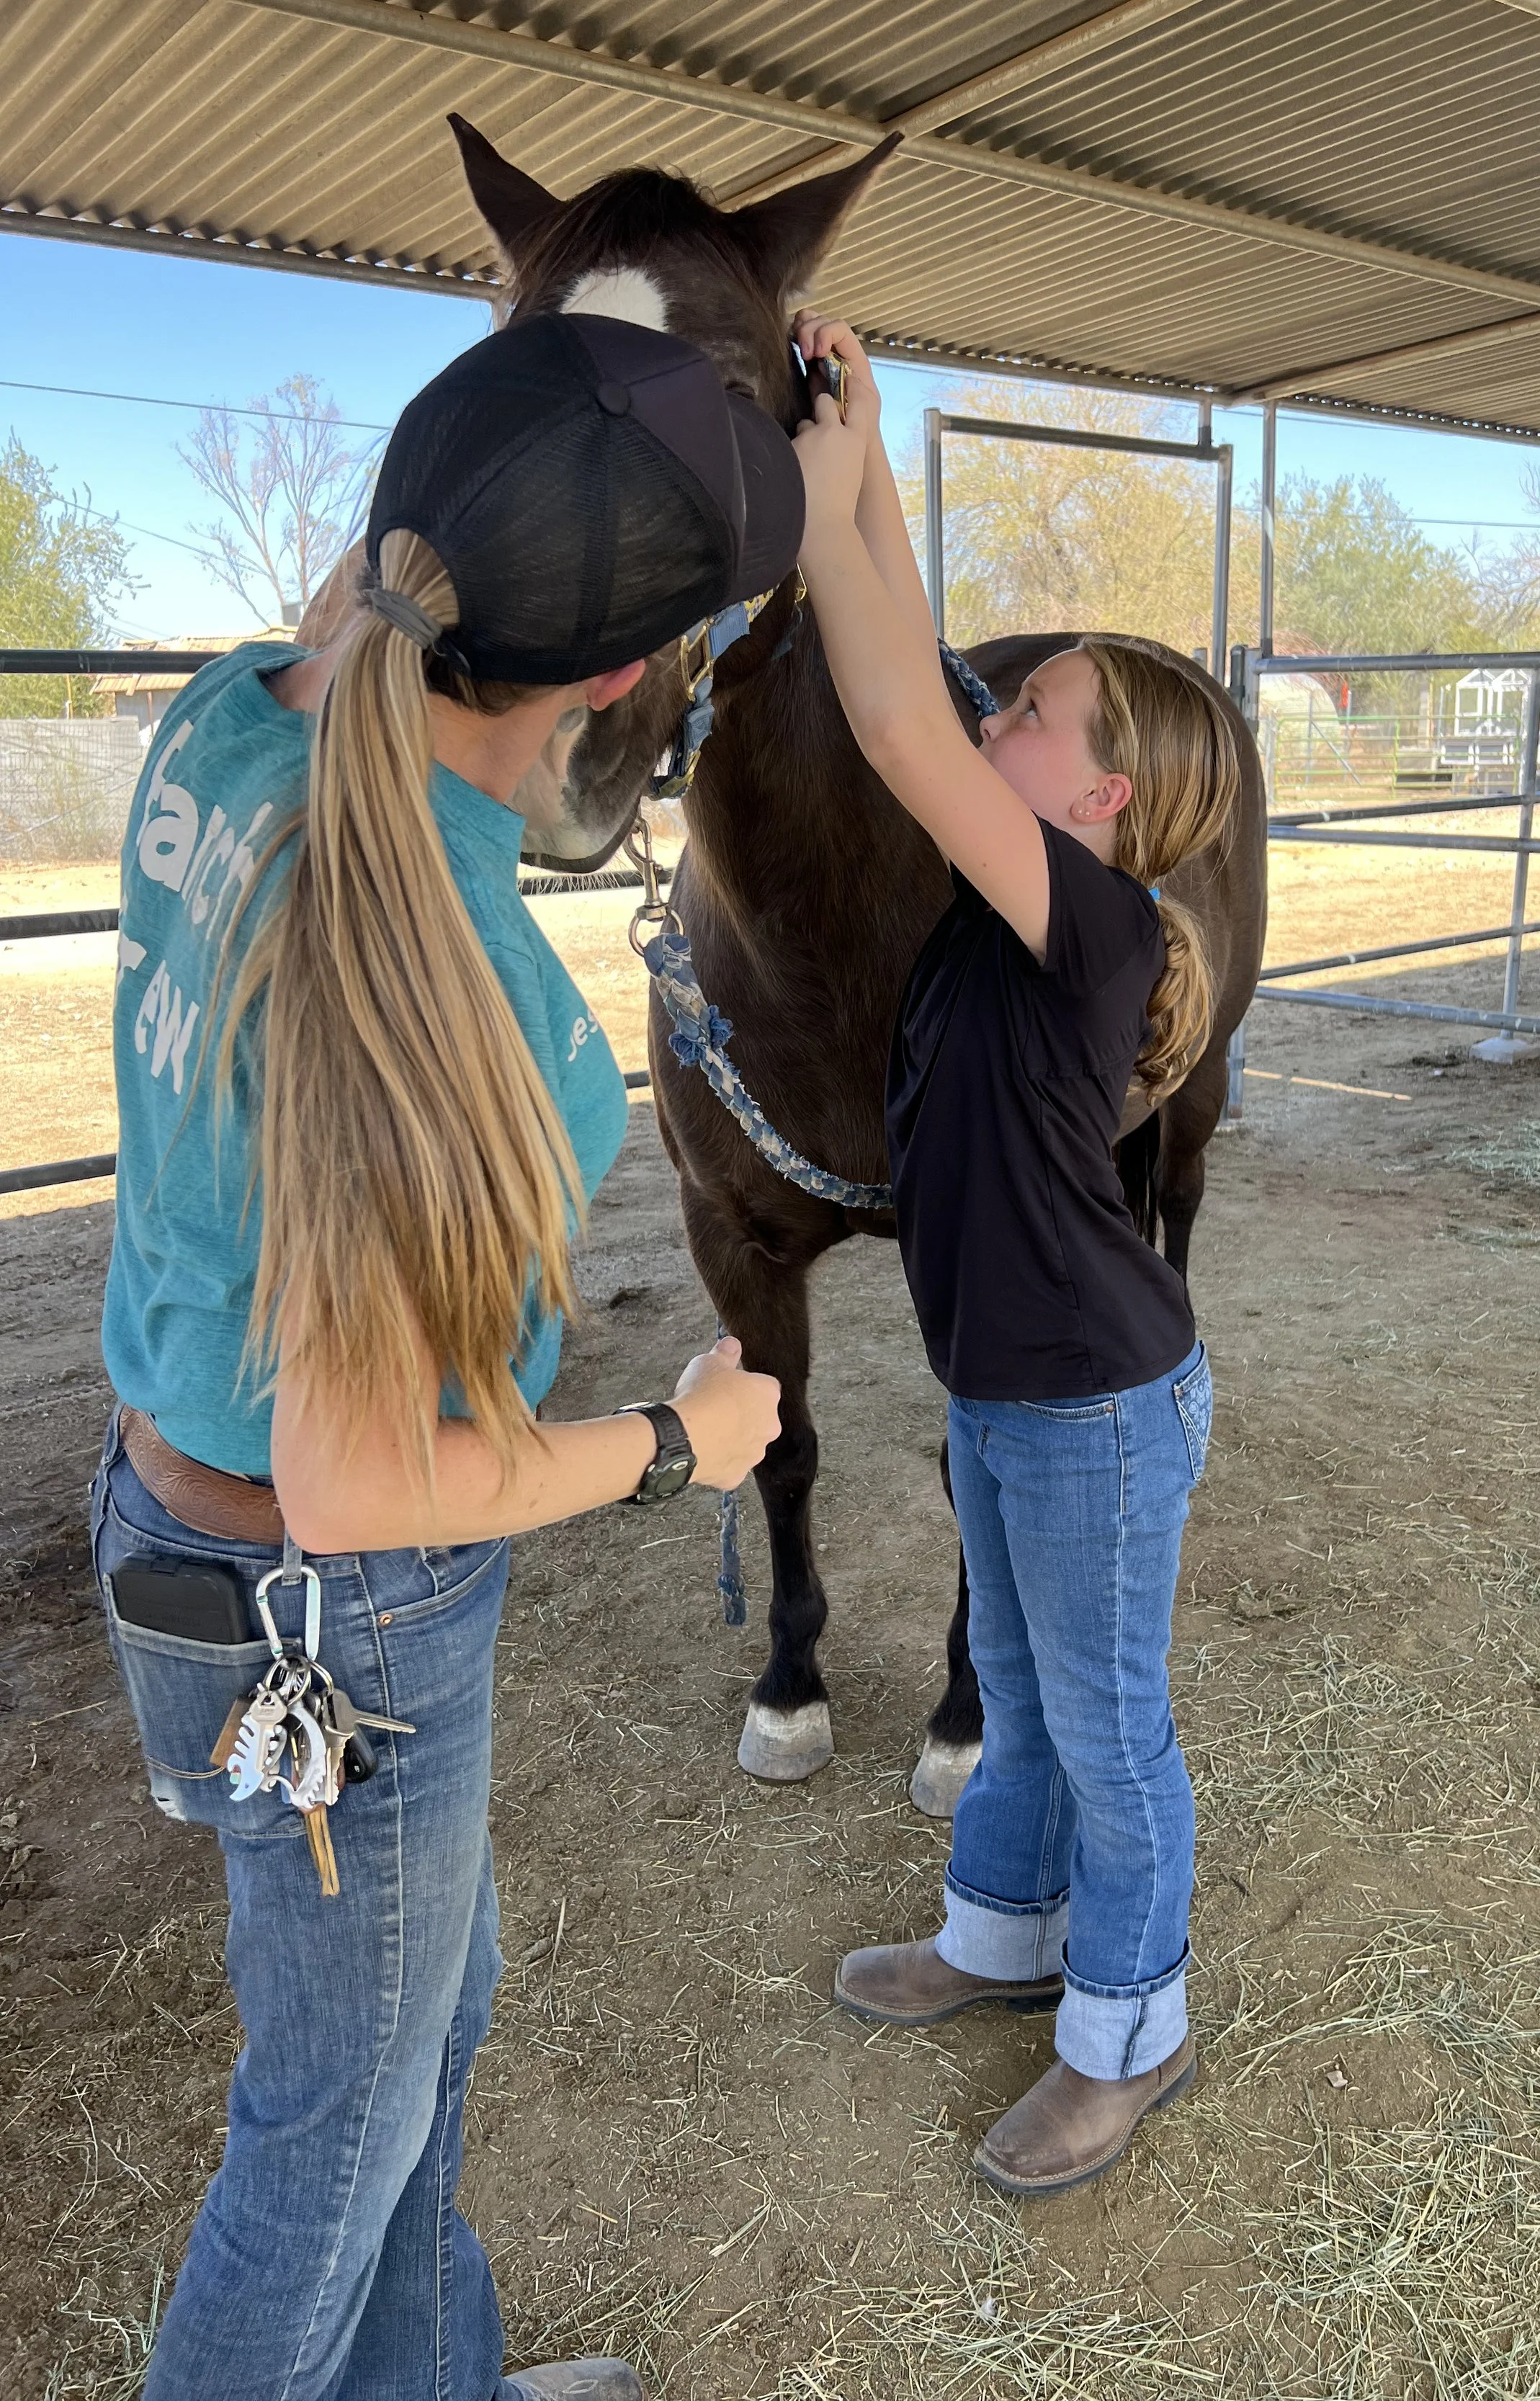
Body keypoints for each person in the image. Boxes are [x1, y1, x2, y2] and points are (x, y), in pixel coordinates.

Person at [92, 312, 793, 2400]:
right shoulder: (469, 1009)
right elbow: (367, 1476)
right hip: (341, 1599)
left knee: (417, 2016)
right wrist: (679, 1439)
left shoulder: (229, 721)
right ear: (622, 687)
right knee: (338, 2120)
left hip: (183, 1531)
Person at [789, 316, 1239, 2198]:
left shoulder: (1102, 923)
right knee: (1032, 1699)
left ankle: (1125, 2027)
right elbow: (920, 667)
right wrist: (867, 452)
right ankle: (999, 1939)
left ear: (1104, 794)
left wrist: (813, 497)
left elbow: (895, 709)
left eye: (1031, 714)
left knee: (1107, 1727)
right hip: (1009, 1386)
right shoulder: (1013, 901)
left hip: (1096, 1401)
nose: (993, 717)